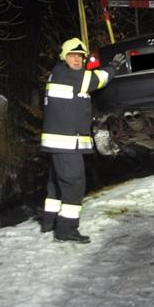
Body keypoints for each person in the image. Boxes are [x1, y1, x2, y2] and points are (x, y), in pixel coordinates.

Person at [39, 37, 116, 243]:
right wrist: (113, 67)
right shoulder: (69, 75)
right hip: (66, 143)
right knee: (74, 184)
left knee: (56, 183)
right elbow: (97, 79)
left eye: (81, 57)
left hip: (59, 142)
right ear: (64, 57)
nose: (77, 60)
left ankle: (49, 221)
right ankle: (66, 229)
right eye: (72, 56)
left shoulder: (58, 73)